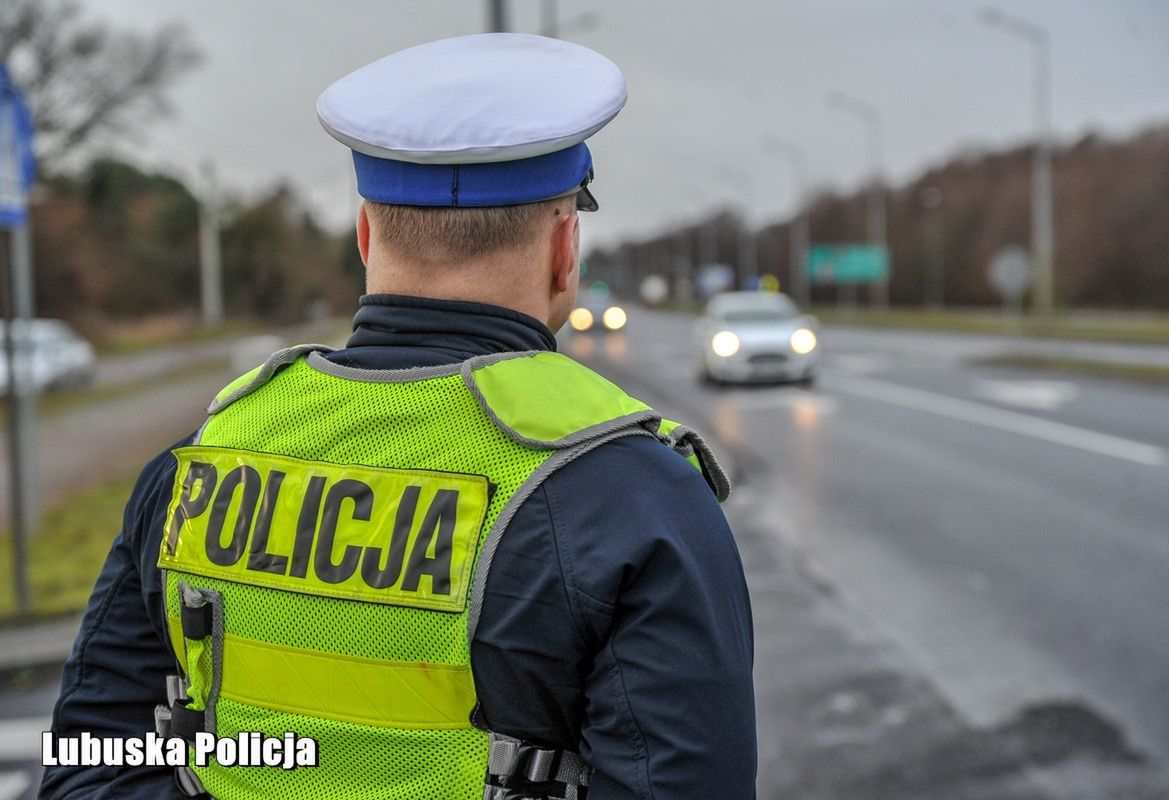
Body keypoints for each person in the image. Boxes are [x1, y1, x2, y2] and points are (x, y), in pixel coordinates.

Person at [42, 33, 756, 800]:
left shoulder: (201, 461)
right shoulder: (637, 499)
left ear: (364, 235)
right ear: (563, 245)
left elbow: (88, 769)